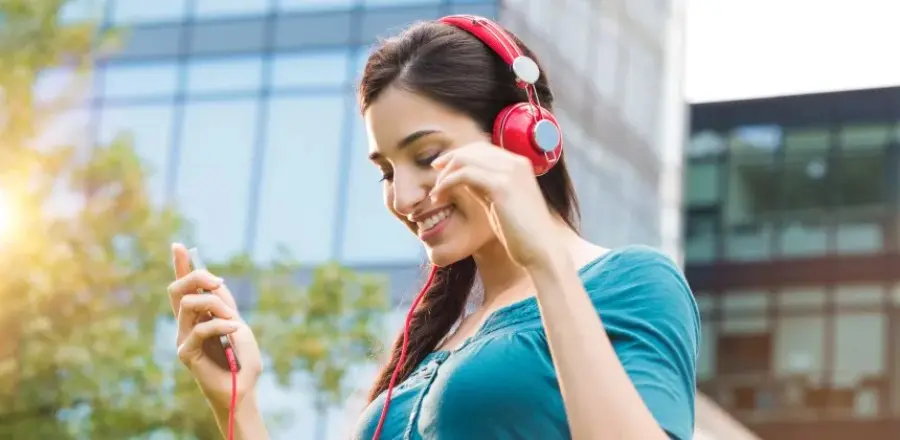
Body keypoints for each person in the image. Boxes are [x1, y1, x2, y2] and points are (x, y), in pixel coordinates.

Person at [166, 15, 700, 440]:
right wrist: (237, 406)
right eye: (386, 171)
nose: (402, 197)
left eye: (428, 155)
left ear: (520, 136)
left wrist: (547, 264)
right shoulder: (431, 346)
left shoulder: (631, 282)